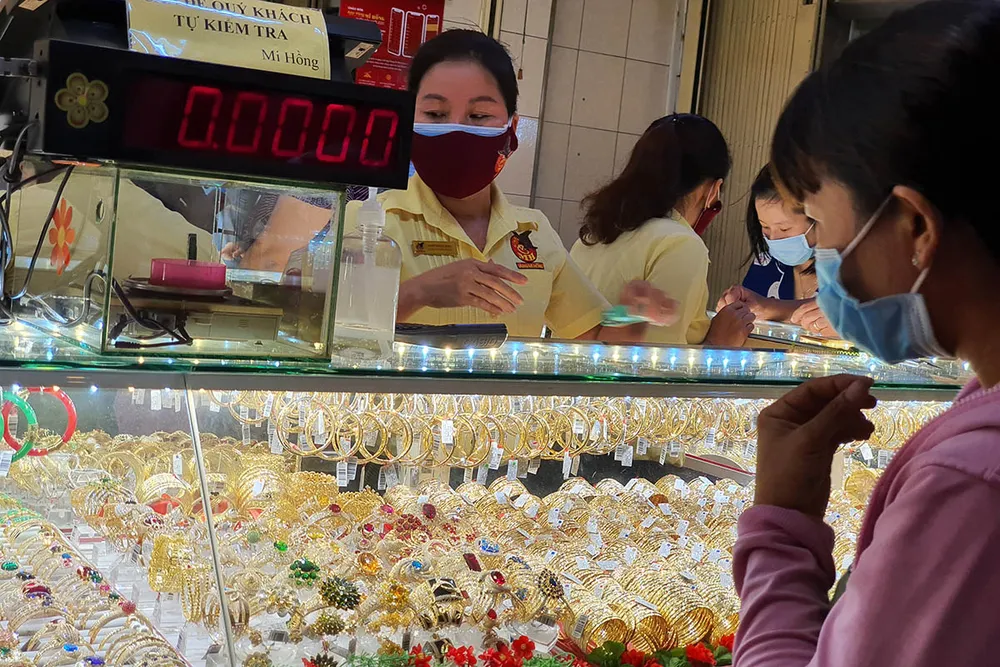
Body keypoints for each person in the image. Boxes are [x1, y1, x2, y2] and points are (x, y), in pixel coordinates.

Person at [735, 2, 1000, 666]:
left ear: (915, 227)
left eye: (819, 222)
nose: (818, 252)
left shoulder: (971, 487)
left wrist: (781, 527)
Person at [341, 30, 675, 341]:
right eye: (435, 113)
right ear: (408, 119)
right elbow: (330, 331)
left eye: (479, 116)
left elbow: (595, 339)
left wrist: (632, 314)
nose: (457, 129)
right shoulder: (366, 221)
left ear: (512, 128)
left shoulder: (534, 232)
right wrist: (420, 292)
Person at [569, 114, 755, 346]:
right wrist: (718, 343)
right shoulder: (681, 244)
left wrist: (625, 314)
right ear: (714, 190)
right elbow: (655, 360)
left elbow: (590, 337)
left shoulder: (593, 236)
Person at [717, 165, 835, 336]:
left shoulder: (859, 270)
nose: (773, 238)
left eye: (785, 228)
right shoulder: (766, 263)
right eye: (765, 227)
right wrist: (735, 309)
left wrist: (773, 309)